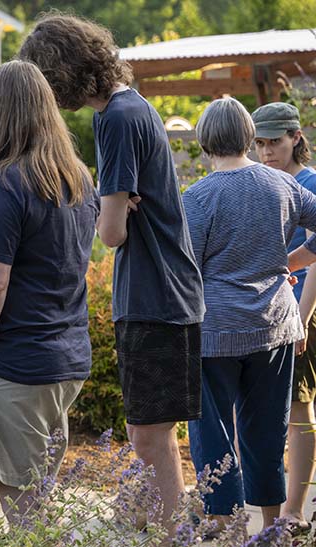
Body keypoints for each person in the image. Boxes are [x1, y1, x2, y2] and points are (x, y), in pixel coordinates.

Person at [20, 14, 205, 532]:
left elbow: (111, 233)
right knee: (146, 428)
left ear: (62, 75)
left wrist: (111, 207)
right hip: (162, 290)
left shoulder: (118, 118)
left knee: (150, 434)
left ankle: (171, 537)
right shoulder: (129, 108)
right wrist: (117, 204)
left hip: (157, 292)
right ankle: (154, 527)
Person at [0, 60, 99, 523]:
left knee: (27, 516)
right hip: (66, 359)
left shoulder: (6, 184)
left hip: (15, 364)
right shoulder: (78, 178)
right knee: (38, 506)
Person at [183, 97, 316, 533]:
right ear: (247, 136)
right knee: (267, 427)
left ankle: (225, 522)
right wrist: (290, 261)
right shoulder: (283, 186)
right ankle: (271, 524)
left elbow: (187, 268)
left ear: (204, 141)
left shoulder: (198, 197)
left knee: (213, 429)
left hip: (216, 331)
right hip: (276, 325)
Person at [252, 102, 316, 534]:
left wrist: (303, 317)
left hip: (302, 311)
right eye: (259, 143)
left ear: (295, 137)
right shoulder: (262, 180)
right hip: (267, 313)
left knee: (299, 409)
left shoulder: (309, 183)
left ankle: (293, 511)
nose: (267, 151)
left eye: (274, 142)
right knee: (264, 411)